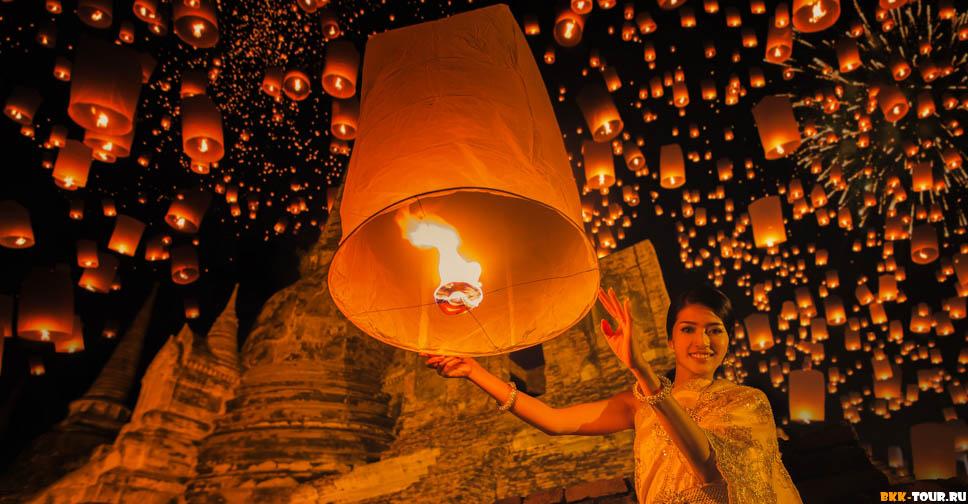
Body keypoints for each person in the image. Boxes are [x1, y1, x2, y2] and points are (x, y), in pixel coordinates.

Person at [422, 285, 802, 503]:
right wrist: (475, 372)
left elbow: (710, 467)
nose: (702, 341)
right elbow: (554, 421)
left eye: (714, 330)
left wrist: (642, 371)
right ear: (671, 339)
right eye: (688, 329)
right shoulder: (635, 402)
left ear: (728, 338)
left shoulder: (747, 401)